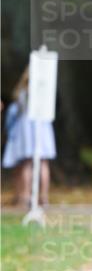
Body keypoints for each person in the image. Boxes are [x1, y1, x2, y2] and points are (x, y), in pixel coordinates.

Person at [2, 67, 56, 207]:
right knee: (43, 163)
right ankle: (44, 197)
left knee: (27, 163)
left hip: (26, 129)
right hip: (44, 128)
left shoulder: (23, 92)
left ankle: (25, 196)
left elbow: (15, 111)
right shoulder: (46, 90)